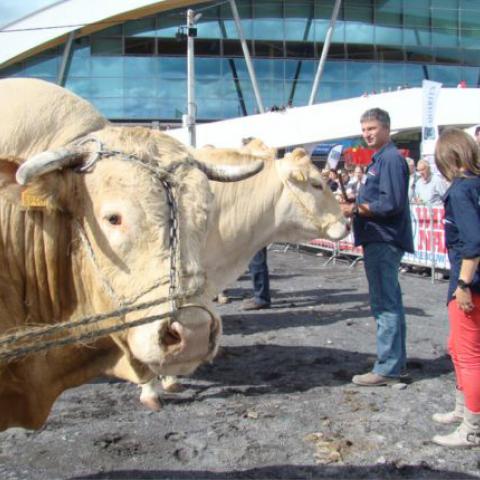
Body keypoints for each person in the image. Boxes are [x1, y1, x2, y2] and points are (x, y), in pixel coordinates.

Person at [340, 108, 413, 386]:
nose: (367, 134)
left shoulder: (391, 159)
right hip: (379, 238)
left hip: (384, 239)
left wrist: (356, 208)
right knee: (389, 301)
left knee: (385, 304)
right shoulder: (380, 159)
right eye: (364, 129)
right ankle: (395, 363)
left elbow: (390, 204)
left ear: (386, 128)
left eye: (371, 128)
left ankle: (388, 368)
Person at [430, 128, 480, 448]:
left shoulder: (461, 190)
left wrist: (462, 284)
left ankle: (473, 426)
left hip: (468, 282)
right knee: (456, 348)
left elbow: (473, 241)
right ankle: (464, 410)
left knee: (469, 356)